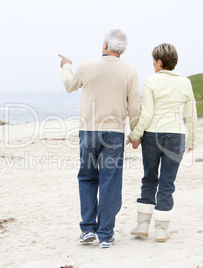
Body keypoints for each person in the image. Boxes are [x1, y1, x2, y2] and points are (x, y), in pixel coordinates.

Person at [58, 29, 141, 248]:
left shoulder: (87, 66)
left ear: (105, 45)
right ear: (122, 50)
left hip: (88, 132)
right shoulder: (130, 71)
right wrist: (135, 132)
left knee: (87, 178)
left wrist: (66, 65)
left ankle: (87, 229)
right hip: (114, 133)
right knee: (110, 181)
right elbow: (134, 106)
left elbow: (69, 85)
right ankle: (105, 234)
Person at [127, 43, 197, 242]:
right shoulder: (185, 82)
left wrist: (135, 134)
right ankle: (161, 229)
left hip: (152, 136)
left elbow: (147, 113)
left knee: (149, 178)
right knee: (167, 182)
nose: (152, 64)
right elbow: (191, 115)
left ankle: (142, 225)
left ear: (159, 61)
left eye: (153, 61)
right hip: (176, 137)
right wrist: (192, 139)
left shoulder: (151, 81)